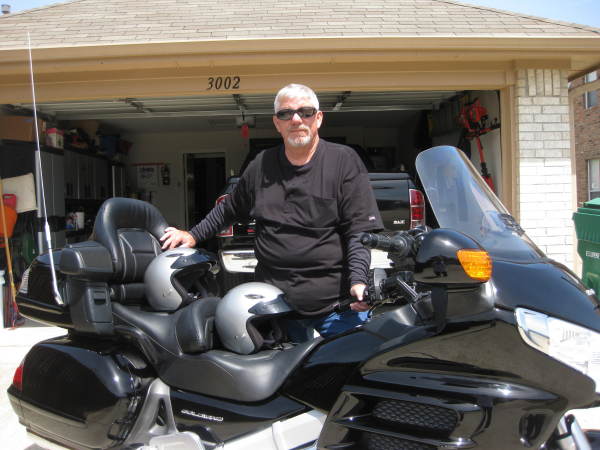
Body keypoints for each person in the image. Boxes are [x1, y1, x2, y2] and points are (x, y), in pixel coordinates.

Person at [160, 83, 383, 342]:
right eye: (286, 114)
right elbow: (229, 209)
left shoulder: (344, 161)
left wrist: (358, 282)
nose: (296, 120)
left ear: (319, 118)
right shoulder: (261, 165)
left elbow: (358, 231)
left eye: (306, 112)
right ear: (277, 123)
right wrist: (193, 235)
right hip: (276, 307)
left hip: (338, 306)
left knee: (351, 361)